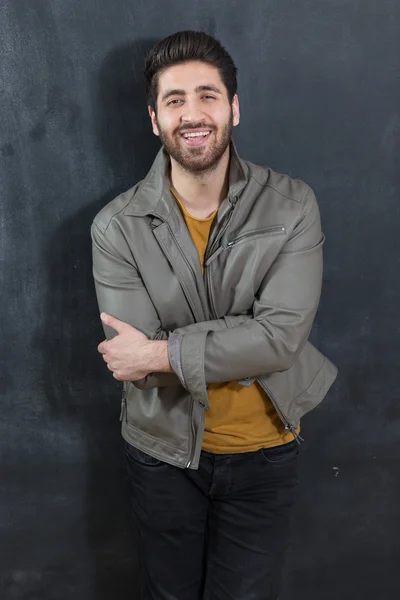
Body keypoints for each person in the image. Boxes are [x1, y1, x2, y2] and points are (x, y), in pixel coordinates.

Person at [91, 30, 337, 600]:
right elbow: (135, 367)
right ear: (155, 119)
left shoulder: (292, 204)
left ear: (234, 108)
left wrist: (161, 351)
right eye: (175, 100)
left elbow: (280, 340)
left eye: (208, 95)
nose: (193, 113)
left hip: (267, 450)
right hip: (162, 454)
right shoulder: (115, 226)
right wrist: (234, 338)